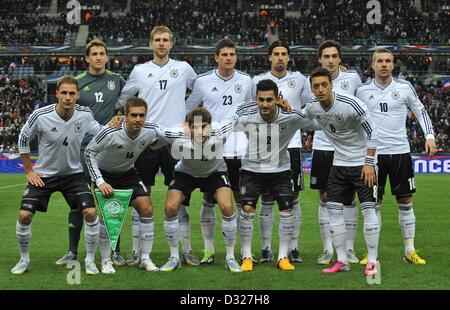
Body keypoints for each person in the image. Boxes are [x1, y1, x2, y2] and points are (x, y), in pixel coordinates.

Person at [116, 26, 199, 266]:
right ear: (151, 44)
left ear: (171, 44)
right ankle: (136, 250)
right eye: (157, 40)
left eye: (165, 40)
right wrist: (121, 118)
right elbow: (124, 100)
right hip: (146, 141)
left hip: (176, 142)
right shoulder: (140, 71)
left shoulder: (184, 69)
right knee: (140, 196)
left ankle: (187, 249)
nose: (161, 44)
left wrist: (187, 114)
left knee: (181, 197)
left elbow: (200, 91)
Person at [12, 76, 102, 275]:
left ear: (78, 95)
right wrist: (29, 169)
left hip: (73, 174)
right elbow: (23, 138)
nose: (68, 97)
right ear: (57, 94)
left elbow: (99, 132)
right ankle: (24, 259)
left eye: (72, 93)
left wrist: (115, 125)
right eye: (64, 93)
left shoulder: (85, 114)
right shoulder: (40, 115)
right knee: (24, 215)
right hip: (44, 175)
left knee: (91, 213)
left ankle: (89, 260)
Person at [356, 49, 436, 265]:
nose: (383, 64)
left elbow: (420, 111)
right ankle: (372, 254)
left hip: (400, 152)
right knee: (373, 203)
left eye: (388, 61)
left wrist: (429, 136)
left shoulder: (404, 87)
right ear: (372, 65)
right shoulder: (361, 91)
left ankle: (409, 250)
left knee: (406, 201)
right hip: (374, 156)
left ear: (393, 65)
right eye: (379, 61)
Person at [56, 39, 127, 267]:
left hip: (108, 150)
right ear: (86, 58)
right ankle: (72, 252)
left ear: (107, 57)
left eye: (102, 54)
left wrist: (121, 115)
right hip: (81, 150)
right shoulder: (76, 83)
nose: (98, 57)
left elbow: (130, 103)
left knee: (111, 202)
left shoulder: (117, 80)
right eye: (94, 54)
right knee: (78, 202)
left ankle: (115, 251)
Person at [304, 68, 379, 276]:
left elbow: (373, 131)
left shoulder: (351, 104)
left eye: (324, 85)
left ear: (332, 85)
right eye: (316, 86)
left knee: (368, 210)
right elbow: (301, 117)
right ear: (312, 89)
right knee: (333, 210)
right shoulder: (312, 107)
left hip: (363, 163)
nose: (320, 89)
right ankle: (342, 259)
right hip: (339, 164)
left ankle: (372, 261)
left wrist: (369, 162)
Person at [236, 79, 316, 272]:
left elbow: (314, 119)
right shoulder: (246, 116)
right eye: (261, 100)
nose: (265, 104)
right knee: (247, 209)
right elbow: (236, 111)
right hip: (251, 168)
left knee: (287, 210)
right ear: (256, 99)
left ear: (277, 99)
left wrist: (291, 106)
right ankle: (246, 255)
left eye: (269, 100)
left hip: (280, 170)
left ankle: (282, 257)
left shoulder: (291, 117)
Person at [185, 38, 252, 265]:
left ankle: (244, 252)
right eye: (224, 54)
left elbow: (251, 112)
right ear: (216, 57)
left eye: (232, 54)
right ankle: (208, 250)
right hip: (210, 149)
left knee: (241, 198)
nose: (228, 58)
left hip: (238, 148)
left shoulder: (246, 80)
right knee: (208, 197)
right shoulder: (203, 81)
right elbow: (190, 111)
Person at [157, 107, 242, 272]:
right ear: (188, 126)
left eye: (203, 126)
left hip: (215, 172)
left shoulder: (221, 131)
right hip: (186, 173)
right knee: (170, 207)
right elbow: (152, 128)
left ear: (211, 125)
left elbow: (237, 114)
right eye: (195, 127)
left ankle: (230, 257)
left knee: (227, 206)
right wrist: (120, 120)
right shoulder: (177, 134)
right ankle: (174, 257)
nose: (199, 132)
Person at [252, 41, 313, 263]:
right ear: (269, 57)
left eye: (283, 54)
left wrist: (291, 109)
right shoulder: (257, 81)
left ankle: (293, 247)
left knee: (293, 197)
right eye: (276, 54)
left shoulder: (300, 80)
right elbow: (253, 109)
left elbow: (309, 109)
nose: (280, 58)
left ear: (288, 58)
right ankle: (266, 248)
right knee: (266, 197)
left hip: (293, 145)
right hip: (265, 145)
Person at [84, 97, 160, 274]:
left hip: (127, 173)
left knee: (146, 208)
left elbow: (166, 135)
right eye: (134, 115)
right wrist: (100, 181)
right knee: (108, 214)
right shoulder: (110, 131)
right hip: (105, 174)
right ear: (124, 115)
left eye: (142, 115)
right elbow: (89, 153)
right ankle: (105, 260)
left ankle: (145, 258)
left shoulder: (150, 130)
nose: (138, 119)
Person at [312, 40, 363, 265]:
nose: (330, 60)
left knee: (350, 198)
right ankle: (327, 249)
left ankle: (349, 249)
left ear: (340, 59)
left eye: (334, 56)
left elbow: (362, 112)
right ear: (320, 59)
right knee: (324, 197)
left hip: (349, 149)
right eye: (326, 56)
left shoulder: (352, 79)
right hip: (323, 145)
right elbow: (309, 112)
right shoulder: (311, 81)